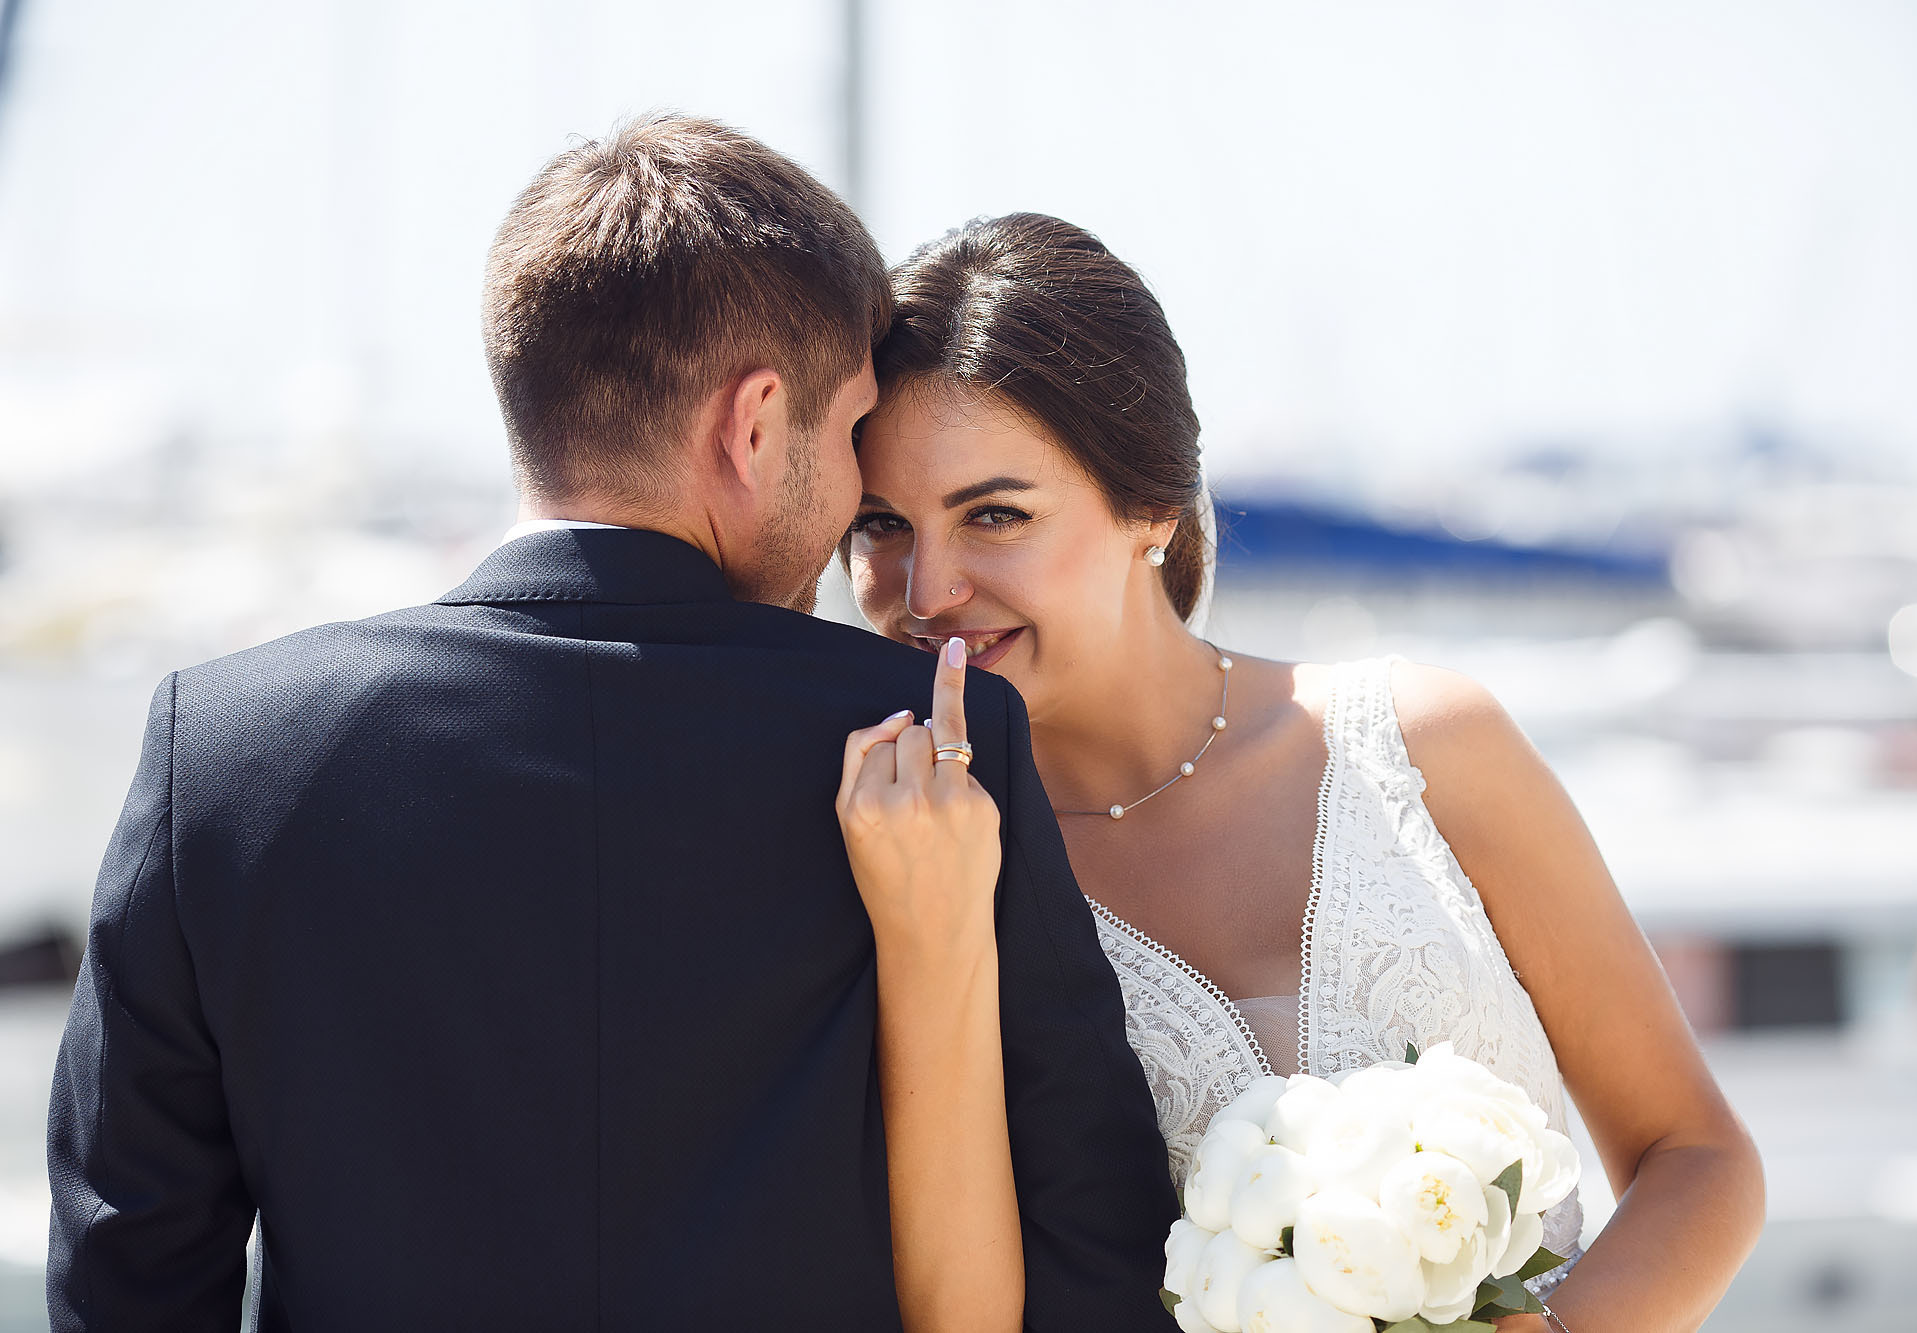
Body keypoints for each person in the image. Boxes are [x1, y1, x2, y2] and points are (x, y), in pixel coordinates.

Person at [46, 121, 1177, 1331]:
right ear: (751, 426)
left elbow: (132, 1274)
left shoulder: (218, 752)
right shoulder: (938, 746)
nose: (857, 490)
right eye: (852, 433)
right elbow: (1088, 1258)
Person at [836, 213, 1766, 1331]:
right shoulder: (914, 855)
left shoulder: (1428, 745)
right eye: (879, 525)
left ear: (1150, 508)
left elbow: (1697, 1156)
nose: (925, 587)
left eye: (994, 514)